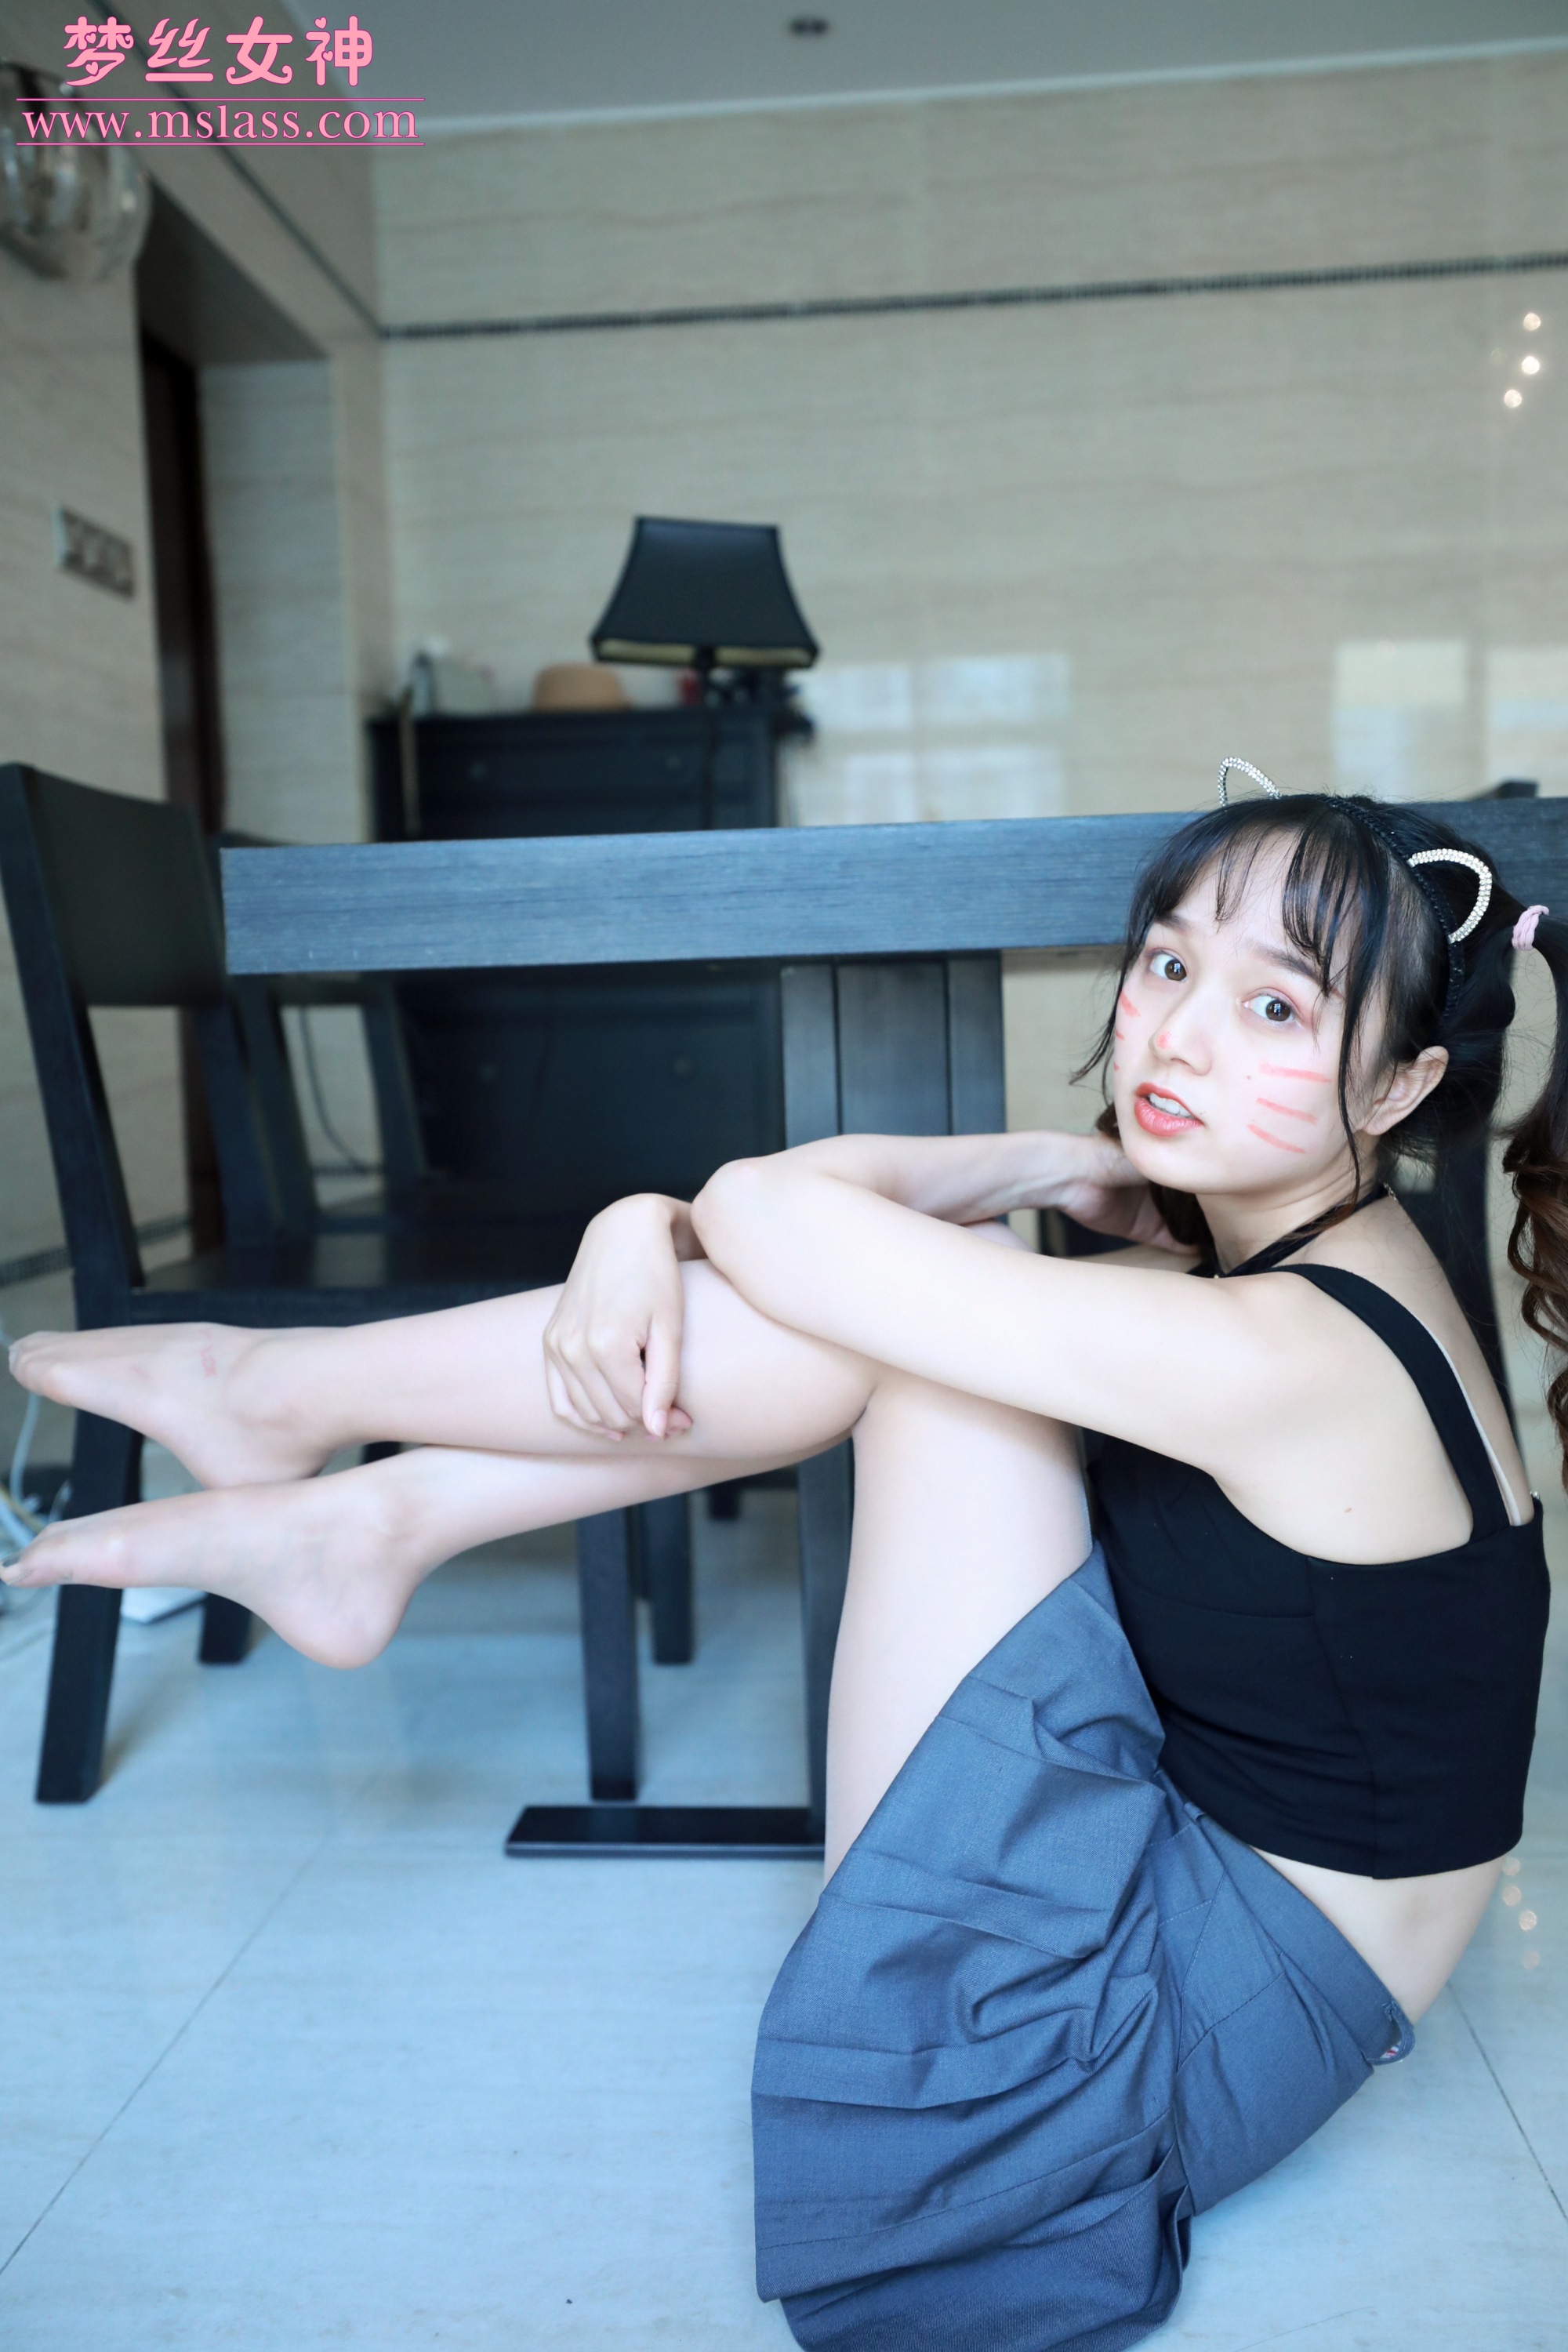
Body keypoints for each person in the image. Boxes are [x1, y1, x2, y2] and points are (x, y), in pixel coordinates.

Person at [2, 774, 1557, 2351]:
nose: (1179, 1037)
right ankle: (361, 1507)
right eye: (1168, 964)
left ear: (1398, 1086)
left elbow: (773, 1216)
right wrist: (1012, 1173)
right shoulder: (1320, 1252)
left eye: (1276, 1006)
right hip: (1218, 1887)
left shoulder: (1289, 1350)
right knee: (918, 1314)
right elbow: (815, 1250)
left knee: (915, 1345)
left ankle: (310, 1425)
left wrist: (667, 1215)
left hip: (1147, 2040)